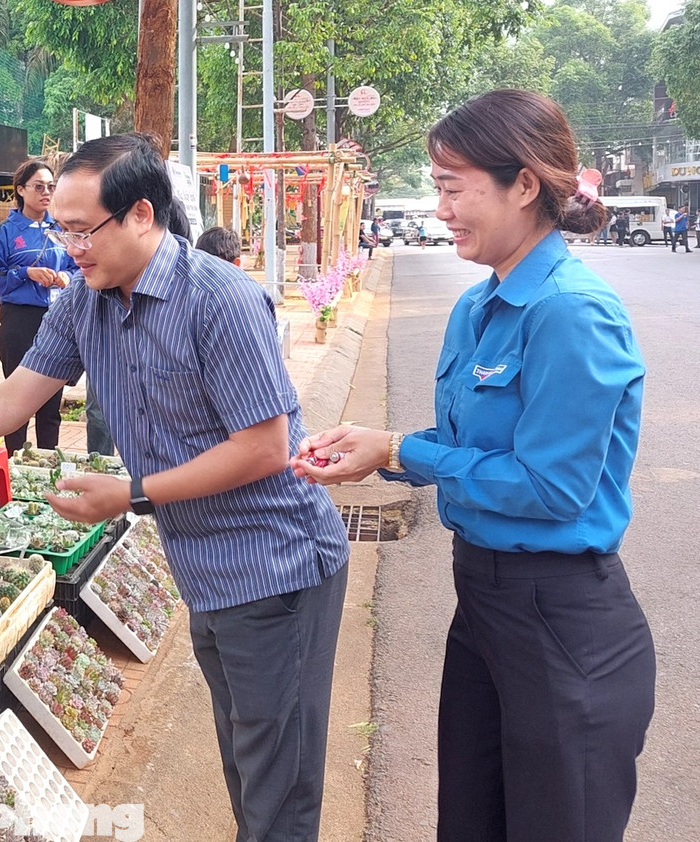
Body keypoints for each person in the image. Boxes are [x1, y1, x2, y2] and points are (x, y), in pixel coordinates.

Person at [0, 132, 350, 841]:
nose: (70, 247)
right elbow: (14, 398)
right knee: (247, 756)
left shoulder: (222, 302)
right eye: (60, 230)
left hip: (276, 568)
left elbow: (263, 450)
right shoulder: (86, 302)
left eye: (82, 230)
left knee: (278, 781)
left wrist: (132, 496)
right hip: (207, 569)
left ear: (141, 214)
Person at [293, 90, 654, 842]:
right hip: (485, 607)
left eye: (453, 187)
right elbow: (479, 446)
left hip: (561, 620)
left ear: (524, 184)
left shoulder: (569, 311)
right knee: (470, 821)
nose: (441, 207)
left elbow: (551, 487)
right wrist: (381, 446)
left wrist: (401, 449)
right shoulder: (481, 306)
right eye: (436, 187)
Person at [0, 158, 77, 452]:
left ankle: (50, 465)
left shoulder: (61, 229)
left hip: (58, 322)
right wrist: (26, 273)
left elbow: (80, 267)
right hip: (19, 321)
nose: (46, 192)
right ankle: (14, 466)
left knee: (51, 406)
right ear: (20, 190)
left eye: (51, 186)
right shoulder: (5, 232)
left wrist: (66, 277)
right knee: (17, 402)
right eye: (38, 186)